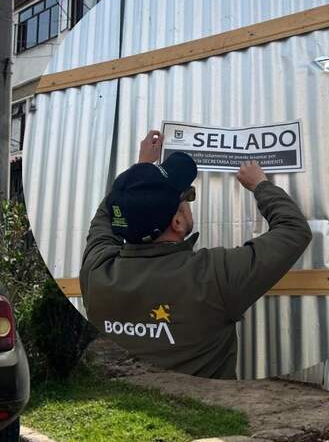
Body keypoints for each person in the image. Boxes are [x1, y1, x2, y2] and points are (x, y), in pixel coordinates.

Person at [79, 130, 312, 379]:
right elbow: (294, 230)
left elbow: (109, 214)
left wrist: (142, 173)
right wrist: (260, 185)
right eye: (187, 197)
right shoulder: (213, 276)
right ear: (177, 222)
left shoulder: (97, 273)